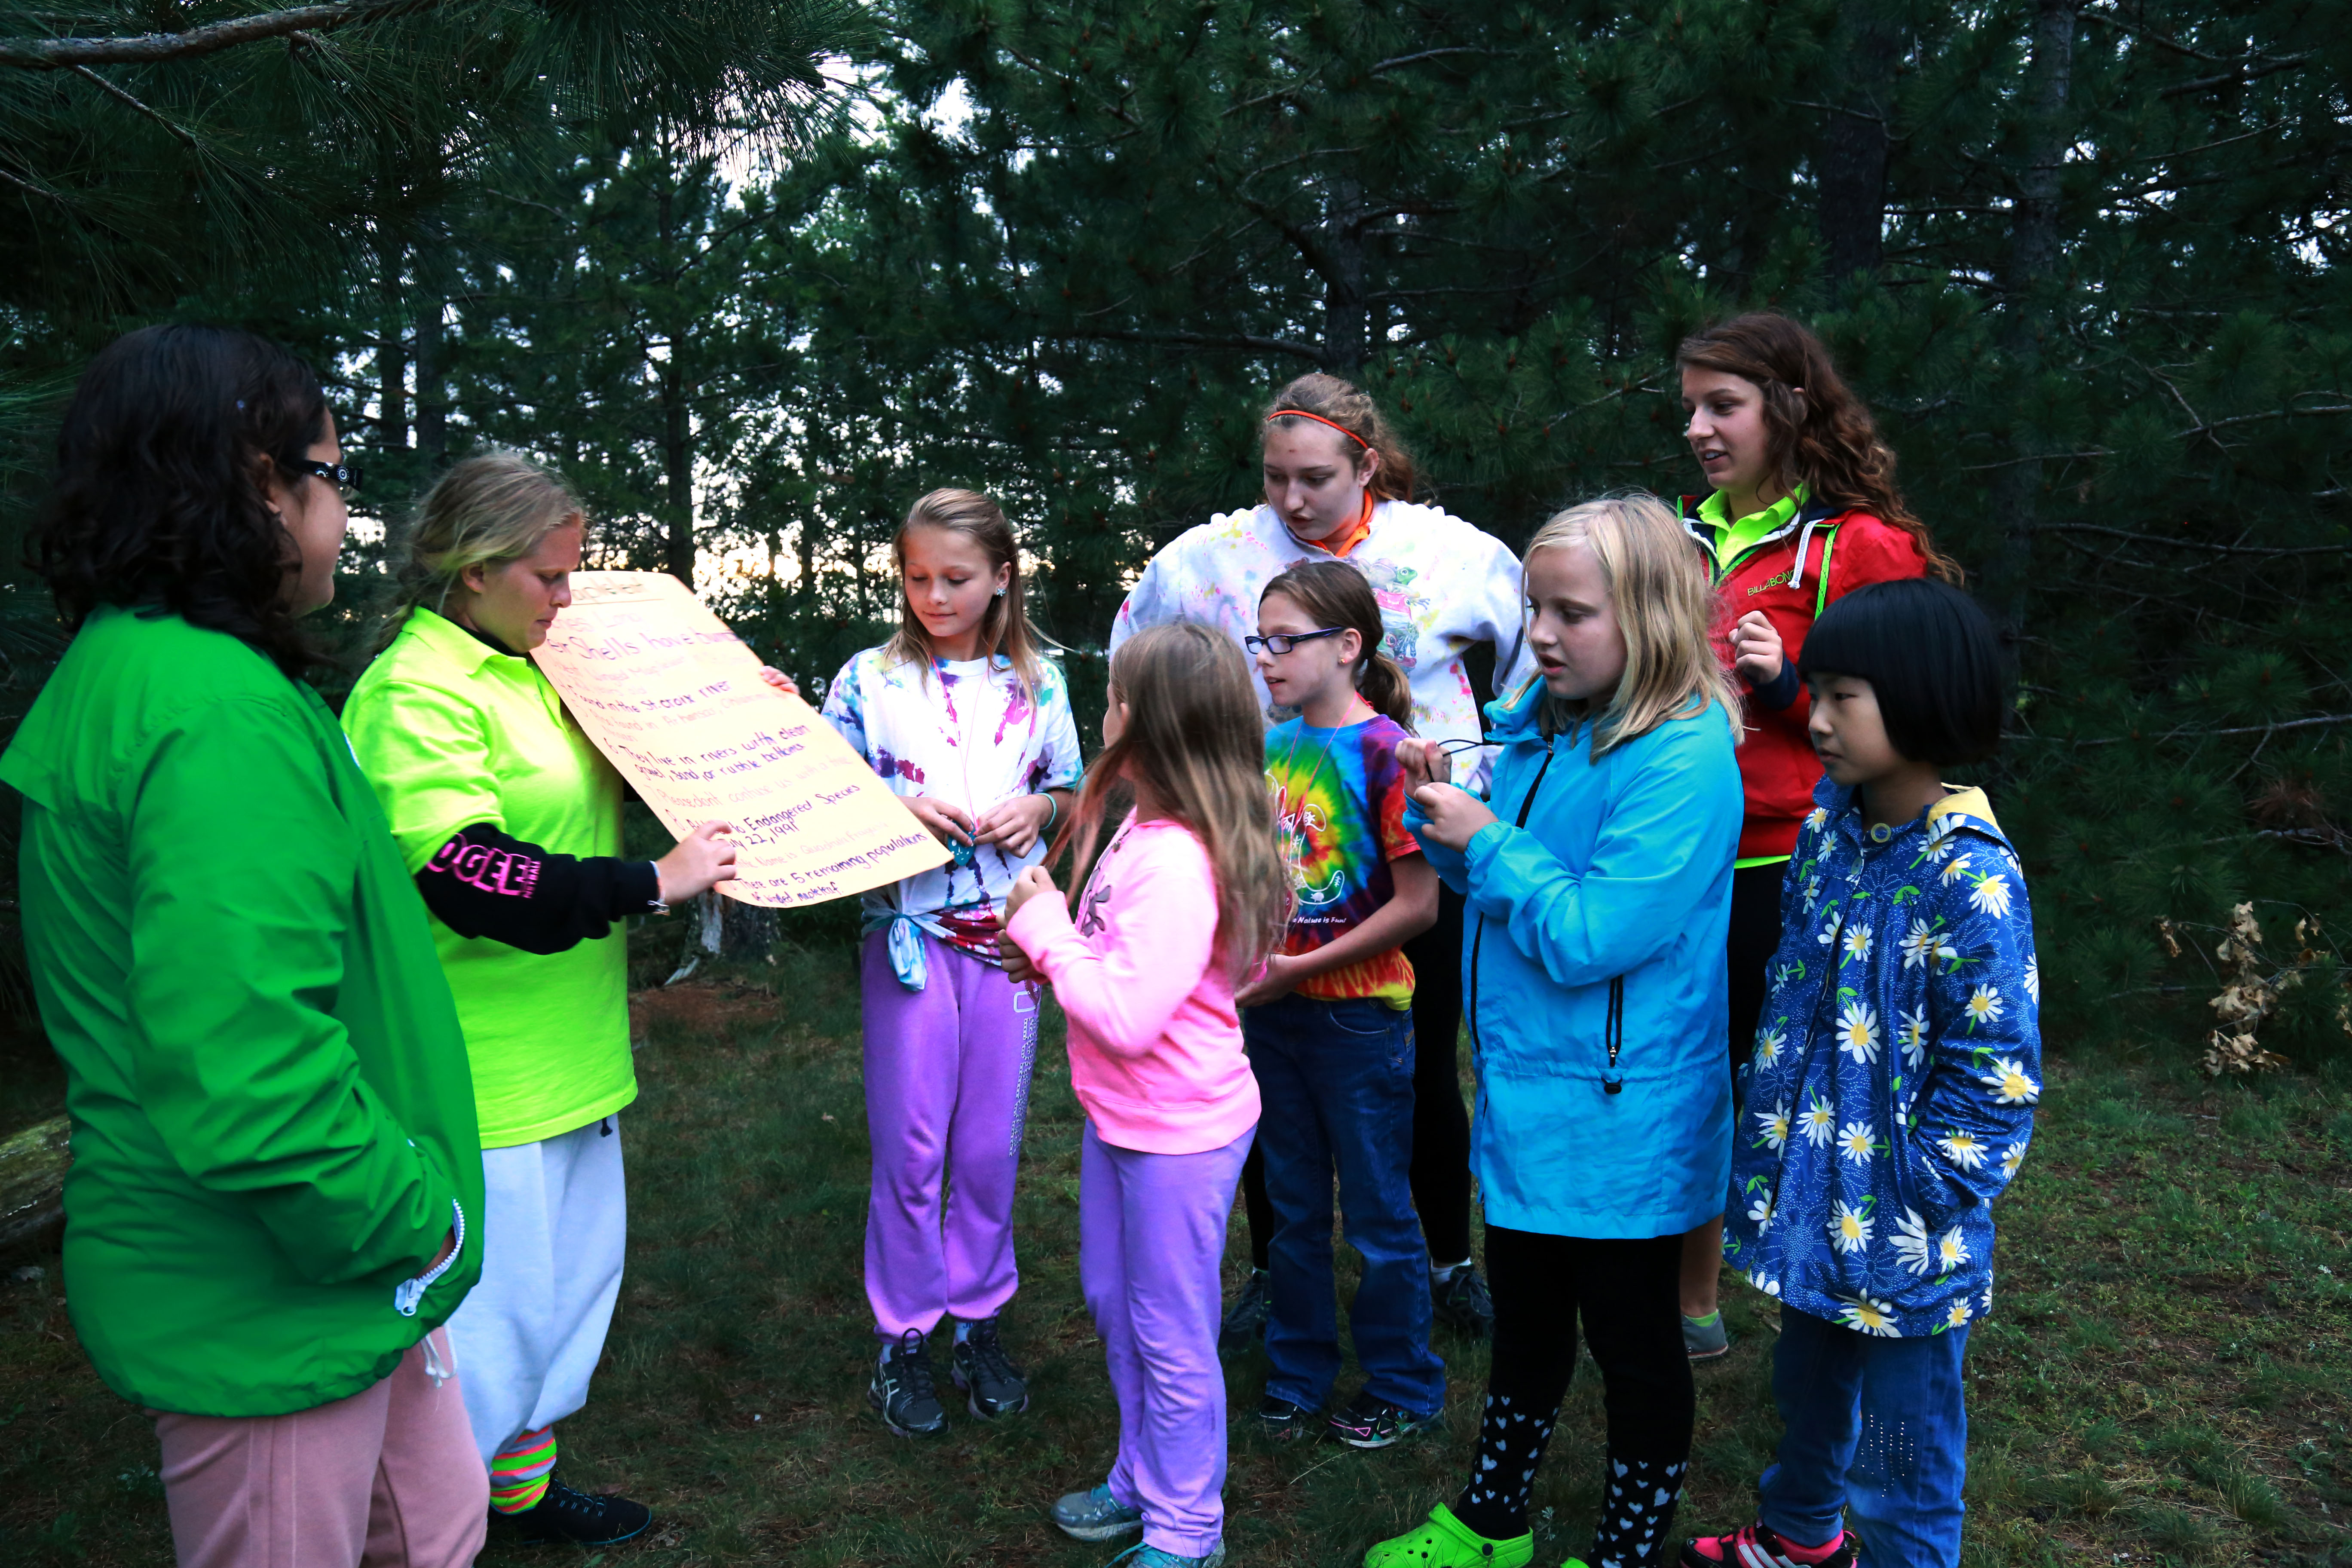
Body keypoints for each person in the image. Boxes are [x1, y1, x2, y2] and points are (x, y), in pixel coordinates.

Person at [1, 325, 487, 1568]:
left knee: (436, 1528)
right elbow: (252, 1076)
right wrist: (414, 1215)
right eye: (331, 474)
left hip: (327, 1272)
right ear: (256, 484)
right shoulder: (213, 714)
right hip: (275, 1285)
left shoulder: (154, 669)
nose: (344, 513)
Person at [342, 452, 741, 1547]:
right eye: (549, 576)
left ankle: (515, 1495)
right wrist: (648, 883)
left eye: (574, 573)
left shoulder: (540, 665)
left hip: (573, 1056)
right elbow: (466, 875)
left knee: (562, 1309)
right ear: (473, 571)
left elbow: (664, 758)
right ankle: (431, 1534)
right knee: (486, 1334)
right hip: (482, 1077)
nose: (569, 598)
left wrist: (753, 724)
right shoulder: (415, 692)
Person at [1112, 372, 1534, 1346]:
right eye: (1275, 479)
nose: (1292, 501)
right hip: (1271, 850)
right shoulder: (1212, 557)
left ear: (1367, 465)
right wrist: (1177, 773)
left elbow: (1529, 666)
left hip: (1416, 841)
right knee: (1261, 1066)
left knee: (1422, 1064)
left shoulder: (1453, 554)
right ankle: (1275, 1268)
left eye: (1315, 479)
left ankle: (1445, 1261)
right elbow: (1135, 651)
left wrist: (1489, 778)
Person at [1364, 493, 1743, 1568]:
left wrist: (1486, 840)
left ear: (1651, 616)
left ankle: (1624, 1555)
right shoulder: (1545, 725)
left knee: (1633, 1342)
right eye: (1535, 608)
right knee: (1528, 1318)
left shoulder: (1682, 756)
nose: (1539, 634)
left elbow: (1590, 935)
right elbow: (1505, 896)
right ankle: (1493, 1523)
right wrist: (1448, 828)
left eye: (1572, 613)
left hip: (1627, 1105)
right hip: (1535, 1088)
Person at [1681, 579, 2039, 1568]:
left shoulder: (1971, 875)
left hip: (1908, 1236)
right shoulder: (1829, 831)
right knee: (1807, 1387)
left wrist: (1922, 1197)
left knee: (1897, 1451)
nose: (1817, 717)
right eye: (1820, 691)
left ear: (1923, 700)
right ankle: (1800, 1534)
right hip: (1815, 1200)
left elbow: (1997, 1078)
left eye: (1845, 697)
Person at [1672, 313, 1952, 1360]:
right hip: (1672, 850)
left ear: (1791, 407)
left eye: (1724, 406)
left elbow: (1911, 709)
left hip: (1788, 860)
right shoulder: (1675, 535)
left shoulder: (1859, 545)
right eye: (1690, 409)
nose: (1699, 429)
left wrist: (1787, 684)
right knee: (1688, 1075)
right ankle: (1691, 1301)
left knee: (1796, 1087)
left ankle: (1832, 1294)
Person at [1003, 623, 1291, 1568]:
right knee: (1115, 1306)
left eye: (1115, 698)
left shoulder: (1174, 860)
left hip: (1180, 1135)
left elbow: (1126, 1016)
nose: (1104, 713)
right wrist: (1057, 944)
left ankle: (1187, 1528)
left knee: (1170, 1334)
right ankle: (1143, 1476)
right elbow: (1124, 963)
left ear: (1149, 725)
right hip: (1124, 1120)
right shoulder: (1147, 827)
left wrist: (1048, 932)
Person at [816, 487, 1083, 1436]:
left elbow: (1070, 789)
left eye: (956, 578)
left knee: (987, 1148)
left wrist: (1042, 809)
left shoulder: (1041, 685)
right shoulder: (868, 681)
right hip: (910, 941)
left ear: (1002, 578)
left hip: (1011, 945)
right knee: (913, 1147)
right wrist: (891, 813)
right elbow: (817, 796)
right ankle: (903, 1334)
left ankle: (979, 1320)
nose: (934, 596)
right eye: (918, 577)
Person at [1235, 561, 1444, 1447]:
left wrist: (1299, 968)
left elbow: (1419, 907)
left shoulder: (1390, 755)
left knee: (1378, 1213)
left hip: (1357, 1023)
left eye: (1286, 641)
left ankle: (1404, 1383)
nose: (1267, 657)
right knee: (1290, 1209)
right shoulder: (1274, 747)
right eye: (1261, 641)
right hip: (1273, 1016)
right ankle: (1298, 1375)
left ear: (1348, 646)